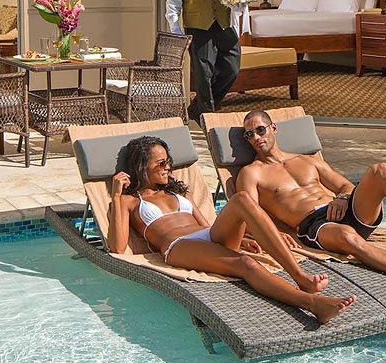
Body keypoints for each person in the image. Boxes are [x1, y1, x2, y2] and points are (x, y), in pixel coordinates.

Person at [233, 110, 386, 310]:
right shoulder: (251, 173)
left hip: (345, 210)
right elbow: (250, 213)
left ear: (273, 128)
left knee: (381, 170)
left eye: (260, 130)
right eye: (249, 134)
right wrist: (276, 233)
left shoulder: (308, 160)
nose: (255, 137)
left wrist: (343, 197)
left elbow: (345, 185)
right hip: (316, 225)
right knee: (347, 235)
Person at [109, 136, 356, 325]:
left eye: (168, 161)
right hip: (179, 246)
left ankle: (299, 276)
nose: (168, 167)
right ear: (142, 166)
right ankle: (312, 303)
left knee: (242, 200)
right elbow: (117, 247)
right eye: (161, 163)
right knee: (245, 264)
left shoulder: (179, 191)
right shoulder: (130, 201)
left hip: (206, 238)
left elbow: (206, 226)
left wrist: (244, 235)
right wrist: (117, 194)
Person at [165, 0, 246, 123]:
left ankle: (197, 107)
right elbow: (173, 1)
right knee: (203, 73)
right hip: (198, 26)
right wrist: (177, 32)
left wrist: (240, 22)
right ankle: (209, 118)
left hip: (225, 24)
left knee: (232, 69)